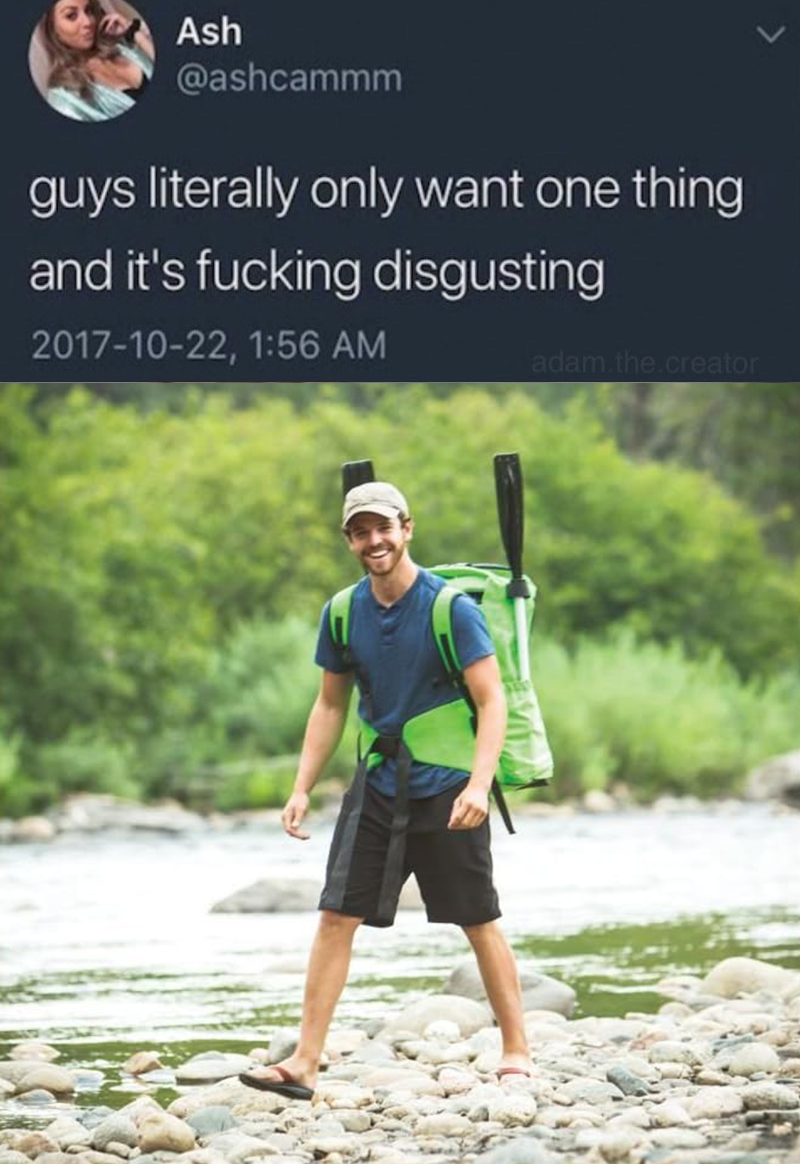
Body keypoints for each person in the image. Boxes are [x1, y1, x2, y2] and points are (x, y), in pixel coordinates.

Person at [239, 481, 533, 1100]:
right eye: (360, 531)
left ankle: (517, 1050)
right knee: (334, 916)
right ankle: (304, 1062)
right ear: (349, 539)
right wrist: (301, 787)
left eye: (384, 528)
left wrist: (480, 785)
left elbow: (492, 699)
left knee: (478, 919)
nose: (374, 541)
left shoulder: (451, 607)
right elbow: (328, 705)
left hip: (451, 787)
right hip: (376, 784)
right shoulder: (343, 612)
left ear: (407, 527)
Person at [37, 0, 154, 122]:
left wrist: (133, 32)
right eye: (71, 16)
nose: (88, 22)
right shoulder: (64, 98)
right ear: (54, 31)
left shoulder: (120, 47)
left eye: (88, 11)